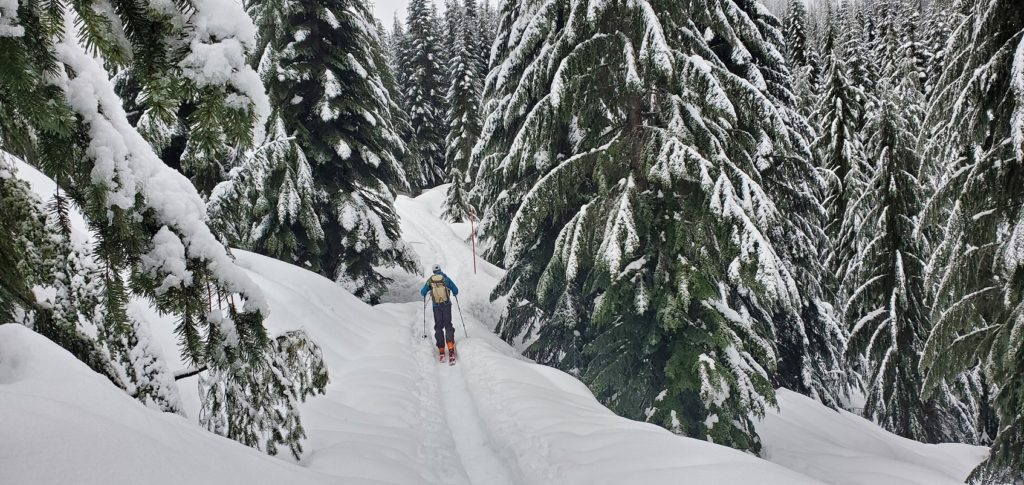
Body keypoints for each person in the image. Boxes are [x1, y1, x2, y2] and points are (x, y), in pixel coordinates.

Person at [420, 264, 459, 361]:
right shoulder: (446, 279)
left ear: (433, 271)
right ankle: (450, 348)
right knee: (448, 325)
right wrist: (453, 293)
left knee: (438, 326)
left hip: (436, 307)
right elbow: (456, 290)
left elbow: (422, 292)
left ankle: (441, 350)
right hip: (447, 305)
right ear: (441, 270)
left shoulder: (430, 280)